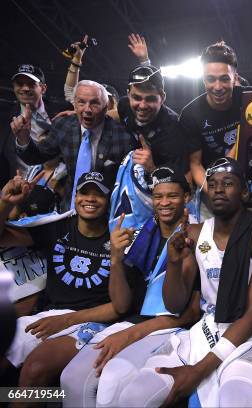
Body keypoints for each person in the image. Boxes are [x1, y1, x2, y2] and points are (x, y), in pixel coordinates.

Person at [114, 158, 252, 407]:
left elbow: (251, 314)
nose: (218, 190)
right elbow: (175, 304)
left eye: (228, 184)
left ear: (244, 191)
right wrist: (173, 263)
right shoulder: (194, 233)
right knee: (134, 396)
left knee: (233, 400)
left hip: (249, 335)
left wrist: (199, 370)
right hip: (206, 328)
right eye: (212, 184)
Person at [60, 167, 200, 407]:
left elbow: (191, 313)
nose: (164, 203)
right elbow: (122, 304)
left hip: (171, 329)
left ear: (186, 197)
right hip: (131, 322)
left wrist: (131, 334)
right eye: (158, 196)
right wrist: (115, 257)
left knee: (111, 382)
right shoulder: (140, 235)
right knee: (71, 379)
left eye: (172, 196)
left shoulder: (196, 237)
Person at [0, 172, 120, 391]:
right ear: (75, 197)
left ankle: (43, 400)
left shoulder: (118, 237)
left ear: (109, 200)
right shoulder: (57, 227)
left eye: (98, 195)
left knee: (35, 372)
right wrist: (6, 204)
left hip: (94, 323)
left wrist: (67, 320)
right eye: (84, 192)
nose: (90, 199)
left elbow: (121, 307)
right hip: (49, 317)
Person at [14, 79, 135, 210]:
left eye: (94, 103)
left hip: (106, 215)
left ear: (106, 107)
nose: (87, 109)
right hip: (69, 209)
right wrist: (23, 138)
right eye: (81, 102)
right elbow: (35, 157)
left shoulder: (122, 135)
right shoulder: (64, 126)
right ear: (75, 105)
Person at [182, 41, 252, 191]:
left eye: (224, 79)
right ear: (203, 79)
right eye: (210, 79)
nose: (217, 87)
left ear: (235, 77)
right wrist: (213, 192)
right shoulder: (190, 114)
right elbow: (195, 164)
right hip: (212, 183)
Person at [114, 64, 187, 174]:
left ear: (162, 97)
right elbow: (113, 115)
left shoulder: (174, 129)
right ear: (128, 95)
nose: (142, 106)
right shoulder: (124, 105)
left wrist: (152, 169)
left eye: (150, 99)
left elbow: (183, 181)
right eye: (137, 98)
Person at [6, 64, 72, 184]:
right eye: (20, 84)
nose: (25, 88)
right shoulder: (5, 116)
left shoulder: (62, 110)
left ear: (43, 88)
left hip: (58, 185)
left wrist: (77, 114)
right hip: (17, 185)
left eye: (31, 84)